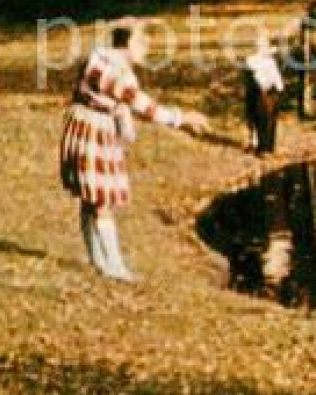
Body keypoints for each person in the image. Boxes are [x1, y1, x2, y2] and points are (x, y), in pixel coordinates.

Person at [59, 20, 207, 282]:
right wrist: (182, 118)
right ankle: (114, 269)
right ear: (125, 43)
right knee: (99, 201)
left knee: (94, 199)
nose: (146, 47)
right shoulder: (108, 69)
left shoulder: (111, 64)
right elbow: (144, 107)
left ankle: (102, 265)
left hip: (96, 127)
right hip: (92, 130)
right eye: (141, 42)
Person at [241, 33, 284, 155]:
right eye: (261, 47)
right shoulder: (252, 61)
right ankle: (262, 147)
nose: (263, 49)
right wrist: (265, 86)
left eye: (265, 46)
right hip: (259, 93)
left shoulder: (270, 61)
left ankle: (270, 146)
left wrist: (279, 89)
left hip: (272, 92)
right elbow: (258, 79)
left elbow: (276, 77)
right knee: (261, 120)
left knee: (271, 120)